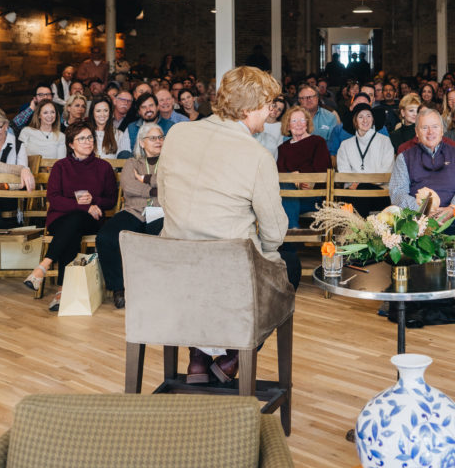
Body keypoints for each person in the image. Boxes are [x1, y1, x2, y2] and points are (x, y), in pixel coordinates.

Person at [157, 65, 291, 384]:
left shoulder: (177, 133)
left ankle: (198, 359)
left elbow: (162, 196)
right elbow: (275, 233)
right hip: (228, 279)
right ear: (247, 110)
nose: (270, 113)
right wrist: (267, 250)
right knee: (286, 271)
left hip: (170, 270)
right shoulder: (257, 155)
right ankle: (232, 359)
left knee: (197, 266)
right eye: (266, 106)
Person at [389, 108, 455, 319]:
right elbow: (397, 193)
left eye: (435, 126)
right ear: (416, 131)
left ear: (442, 130)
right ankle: (397, 295)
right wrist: (423, 210)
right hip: (418, 217)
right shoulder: (404, 158)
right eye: (425, 127)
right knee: (393, 225)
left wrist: (452, 209)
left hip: (453, 214)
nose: (430, 131)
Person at [23, 122, 118, 311]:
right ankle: (60, 291)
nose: (87, 142)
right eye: (81, 138)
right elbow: (55, 199)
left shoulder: (103, 167)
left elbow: (111, 200)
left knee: (75, 221)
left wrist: (95, 200)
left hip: (90, 221)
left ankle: (43, 266)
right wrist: (86, 207)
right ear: (71, 144)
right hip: (61, 219)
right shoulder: (61, 167)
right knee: (72, 226)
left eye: (90, 137)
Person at [94, 123, 165, 310]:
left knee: (155, 239)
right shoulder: (132, 163)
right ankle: (118, 288)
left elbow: (173, 183)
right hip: (134, 212)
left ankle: (150, 289)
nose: (158, 141)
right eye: (153, 138)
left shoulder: (170, 162)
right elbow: (129, 187)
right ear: (142, 142)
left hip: (161, 213)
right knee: (106, 237)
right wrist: (154, 189)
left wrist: (144, 180)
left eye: (160, 137)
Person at [276, 106, 330, 235]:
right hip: (288, 196)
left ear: (307, 123)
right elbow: (280, 175)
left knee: (284, 200)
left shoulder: (318, 142)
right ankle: (293, 231)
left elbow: (323, 170)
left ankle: (289, 242)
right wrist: (292, 177)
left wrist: (300, 177)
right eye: (294, 121)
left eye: (302, 120)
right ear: (288, 126)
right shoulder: (282, 148)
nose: (298, 124)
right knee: (285, 184)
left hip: (312, 197)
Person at [337, 103, 395, 177]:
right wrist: (354, 184)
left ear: (373, 119)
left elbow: (387, 169)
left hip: (379, 186)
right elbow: (343, 170)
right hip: (353, 187)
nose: (365, 120)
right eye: (360, 117)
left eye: (368, 116)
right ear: (355, 121)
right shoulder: (345, 145)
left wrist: (370, 184)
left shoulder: (385, 141)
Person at [295, 84, 340, 152]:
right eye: (304, 98)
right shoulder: (292, 117)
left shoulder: (330, 117)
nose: (308, 100)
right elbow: (287, 141)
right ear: (299, 100)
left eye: (311, 97)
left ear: (317, 98)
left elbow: (334, 144)